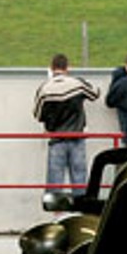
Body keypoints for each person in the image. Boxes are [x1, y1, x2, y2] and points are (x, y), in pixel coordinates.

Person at [32, 53, 99, 198]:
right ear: (67, 67)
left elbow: (37, 115)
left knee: (54, 181)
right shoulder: (77, 84)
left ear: (51, 68)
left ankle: (56, 213)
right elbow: (95, 93)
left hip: (56, 139)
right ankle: (81, 212)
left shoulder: (45, 89)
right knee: (79, 179)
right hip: (77, 137)